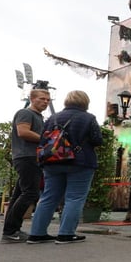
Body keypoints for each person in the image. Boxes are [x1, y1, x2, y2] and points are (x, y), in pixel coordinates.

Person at [27, 90, 103, 244]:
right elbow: (97, 140)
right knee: (74, 198)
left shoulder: (53, 118)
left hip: (52, 161)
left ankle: (37, 233)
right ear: (85, 102)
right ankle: (66, 234)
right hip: (79, 162)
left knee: (48, 197)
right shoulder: (88, 118)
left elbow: (44, 138)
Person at [1, 88, 50, 243]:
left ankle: (10, 230)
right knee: (31, 193)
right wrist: (46, 140)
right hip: (26, 157)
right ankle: (10, 230)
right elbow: (23, 132)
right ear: (32, 98)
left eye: (48, 100)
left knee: (19, 194)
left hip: (28, 157)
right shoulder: (25, 113)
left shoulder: (37, 116)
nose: (45, 102)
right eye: (42, 99)